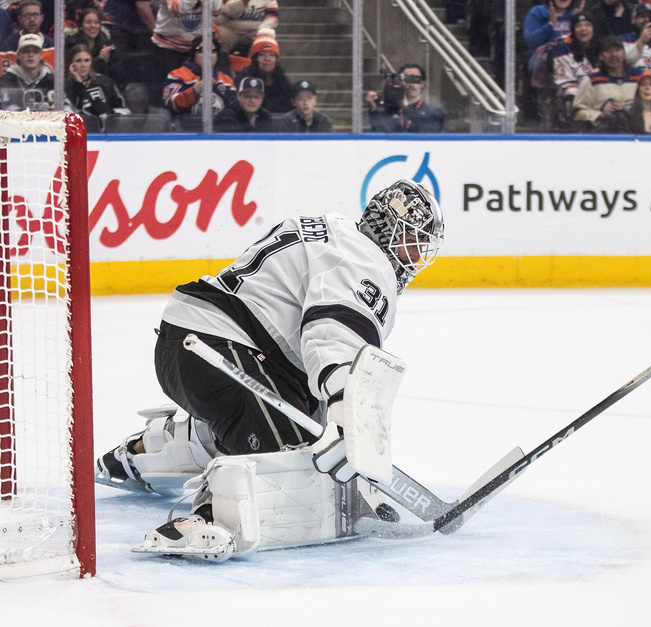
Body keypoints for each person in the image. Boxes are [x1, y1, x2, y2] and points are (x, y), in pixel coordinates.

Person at [95, 179, 445, 560]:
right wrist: (348, 422)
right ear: (390, 231)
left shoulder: (330, 229)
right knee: (298, 466)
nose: (414, 258)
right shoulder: (365, 260)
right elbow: (332, 335)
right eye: (414, 243)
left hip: (195, 344)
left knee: (305, 427)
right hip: (219, 349)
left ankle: (152, 448)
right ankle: (207, 519)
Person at [571, 35, 642, 131]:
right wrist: (601, 114)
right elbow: (577, 112)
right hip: (603, 134)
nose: (613, 54)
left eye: (617, 50)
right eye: (608, 51)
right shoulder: (591, 80)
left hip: (637, 133)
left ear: (624, 54)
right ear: (601, 56)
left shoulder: (640, 77)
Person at [150, 0, 224, 85]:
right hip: (167, 47)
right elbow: (177, 9)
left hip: (195, 48)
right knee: (165, 91)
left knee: (196, 91)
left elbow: (216, 10)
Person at [163, 35, 236, 115]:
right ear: (193, 54)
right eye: (201, 50)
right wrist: (194, 92)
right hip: (186, 124)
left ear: (218, 55)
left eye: (212, 50)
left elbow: (233, 110)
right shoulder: (177, 75)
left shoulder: (227, 81)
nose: (208, 54)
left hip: (219, 125)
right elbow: (170, 105)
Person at [366, 63, 445, 132]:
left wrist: (407, 108)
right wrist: (374, 110)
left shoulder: (433, 113)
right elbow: (379, 135)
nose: (411, 84)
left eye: (415, 79)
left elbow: (428, 133)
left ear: (423, 84)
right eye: (407, 79)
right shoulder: (392, 112)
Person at [65, 44, 128, 119]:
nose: (83, 65)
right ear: (71, 64)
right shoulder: (65, 85)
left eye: (87, 60)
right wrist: (79, 85)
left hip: (107, 128)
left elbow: (123, 111)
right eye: (78, 61)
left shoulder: (105, 82)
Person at [237, 34, 293, 113]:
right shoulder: (244, 78)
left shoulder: (282, 80)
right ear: (255, 58)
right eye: (262, 55)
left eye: (271, 55)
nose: (267, 59)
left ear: (276, 59)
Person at [0, 33, 54, 111]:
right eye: (26, 51)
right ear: (18, 55)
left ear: (41, 55)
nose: (31, 55)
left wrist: (58, 110)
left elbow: (68, 109)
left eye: (35, 52)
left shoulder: (52, 81)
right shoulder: (5, 81)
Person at [65, 7, 119, 81]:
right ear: (81, 26)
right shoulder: (72, 44)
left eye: (96, 22)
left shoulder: (105, 42)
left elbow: (112, 74)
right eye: (88, 22)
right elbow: (77, 71)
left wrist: (108, 60)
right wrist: (99, 60)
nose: (93, 26)